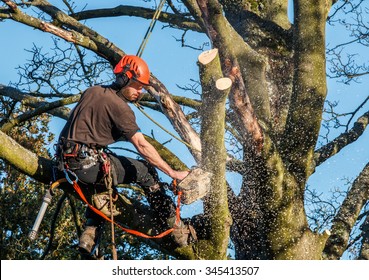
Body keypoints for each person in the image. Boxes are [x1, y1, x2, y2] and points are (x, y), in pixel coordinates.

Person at [56, 55, 196, 257]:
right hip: (86, 166)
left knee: (105, 179)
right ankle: (176, 230)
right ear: (124, 79)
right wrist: (173, 173)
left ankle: (89, 234)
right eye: (137, 86)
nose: (139, 92)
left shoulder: (92, 92)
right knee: (145, 170)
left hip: (65, 164)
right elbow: (141, 144)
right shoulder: (120, 108)